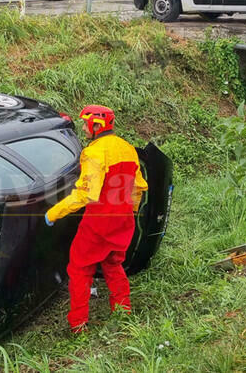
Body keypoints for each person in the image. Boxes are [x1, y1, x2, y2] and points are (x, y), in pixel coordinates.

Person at [44, 105, 148, 333]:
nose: (83, 128)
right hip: (123, 221)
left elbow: (86, 194)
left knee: (79, 270)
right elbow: (139, 187)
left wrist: (53, 213)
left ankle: (78, 324)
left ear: (97, 125)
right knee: (113, 264)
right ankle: (123, 310)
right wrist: (129, 212)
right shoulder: (127, 148)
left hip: (98, 223)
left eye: (85, 123)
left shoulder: (94, 153)